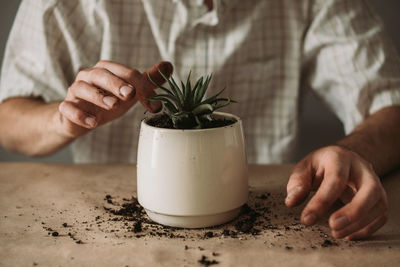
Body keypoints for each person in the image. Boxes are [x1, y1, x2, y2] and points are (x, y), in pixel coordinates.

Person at [0, 0, 399, 240]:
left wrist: (350, 151)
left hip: (263, 227)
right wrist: (64, 120)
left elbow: (391, 104)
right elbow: (7, 118)